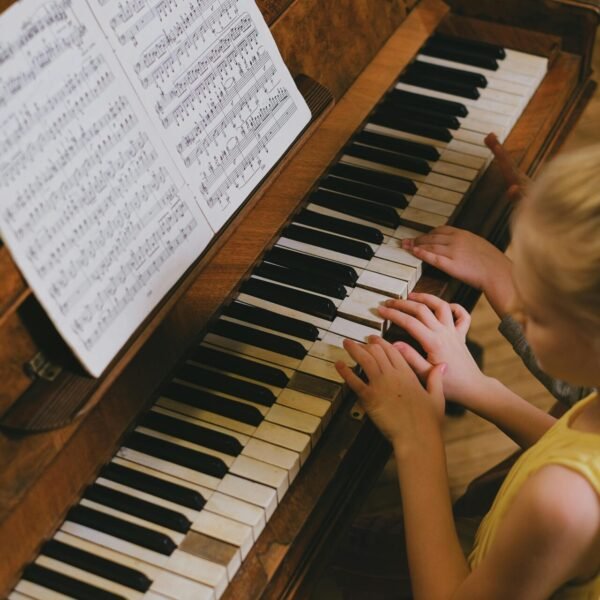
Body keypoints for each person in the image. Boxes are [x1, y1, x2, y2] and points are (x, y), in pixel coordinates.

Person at [334, 145, 600, 598]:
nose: (513, 304)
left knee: (335, 559)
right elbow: (570, 440)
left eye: (536, 305)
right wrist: (480, 388)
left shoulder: (560, 504)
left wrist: (419, 439)